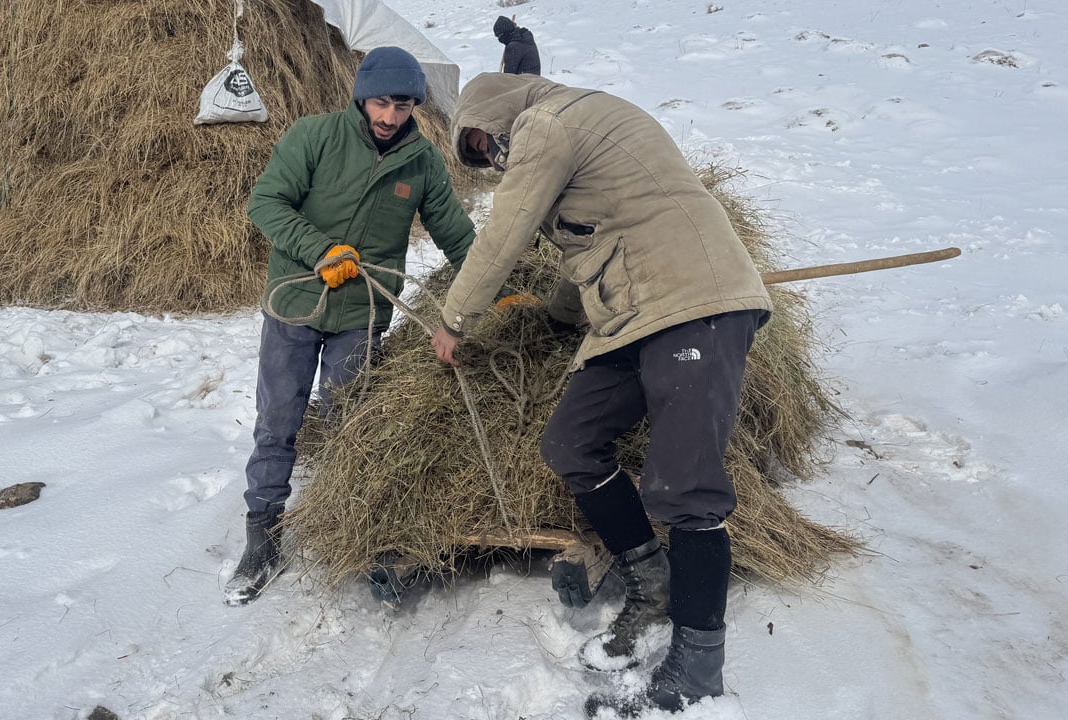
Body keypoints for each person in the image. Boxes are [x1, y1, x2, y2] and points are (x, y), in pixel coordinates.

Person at [430, 73, 772, 716]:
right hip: (633, 312)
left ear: (495, 107)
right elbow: (591, 249)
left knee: (685, 488)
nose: (490, 155)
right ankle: (649, 577)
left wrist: (455, 319)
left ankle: (697, 675)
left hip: (695, 302)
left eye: (482, 139)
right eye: (475, 154)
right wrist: (557, 319)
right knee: (572, 442)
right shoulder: (569, 134)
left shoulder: (548, 122)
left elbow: (506, 230)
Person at [225, 47, 476, 607]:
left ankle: (348, 527)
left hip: (361, 315)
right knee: (280, 418)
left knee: (349, 420)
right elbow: (266, 203)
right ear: (362, 96)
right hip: (296, 305)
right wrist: (318, 251)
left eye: (404, 105)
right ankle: (262, 534)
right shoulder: (313, 137)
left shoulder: (422, 162)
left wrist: (494, 288)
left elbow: (456, 234)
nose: (391, 116)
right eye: (382, 102)